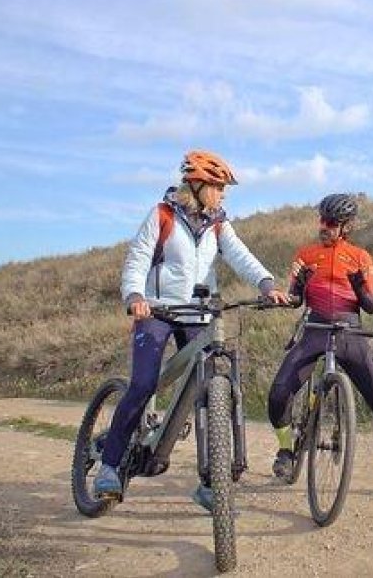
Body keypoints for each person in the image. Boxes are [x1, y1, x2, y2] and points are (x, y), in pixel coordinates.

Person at [94, 149, 290, 507]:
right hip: (157, 311)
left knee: (209, 388)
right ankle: (108, 465)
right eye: (218, 186)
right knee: (142, 385)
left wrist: (265, 284)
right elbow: (137, 257)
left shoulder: (217, 222)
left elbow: (240, 255)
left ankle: (210, 482)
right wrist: (136, 295)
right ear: (196, 184)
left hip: (198, 313)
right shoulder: (162, 215)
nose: (223, 193)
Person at [267, 193, 373, 498]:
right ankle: (285, 450)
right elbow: (296, 301)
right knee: (279, 392)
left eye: (332, 222)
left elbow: (372, 307)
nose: (324, 226)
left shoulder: (361, 257)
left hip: (351, 331)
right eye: (322, 220)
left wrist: (360, 286)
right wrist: (296, 286)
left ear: (346, 226)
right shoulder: (306, 255)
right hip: (315, 328)